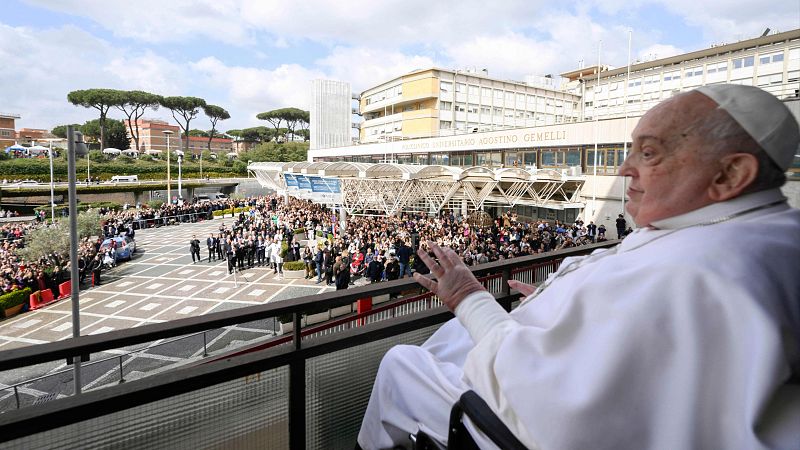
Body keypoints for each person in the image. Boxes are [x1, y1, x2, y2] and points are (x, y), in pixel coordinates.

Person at [357, 84, 800, 449]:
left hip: (521, 426)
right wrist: (563, 306)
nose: (625, 168)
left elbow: (553, 404)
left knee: (402, 362)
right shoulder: (756, 229)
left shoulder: (697, 268)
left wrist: (467, 297)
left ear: (729, 175)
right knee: (454, 336)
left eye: (648, 153)